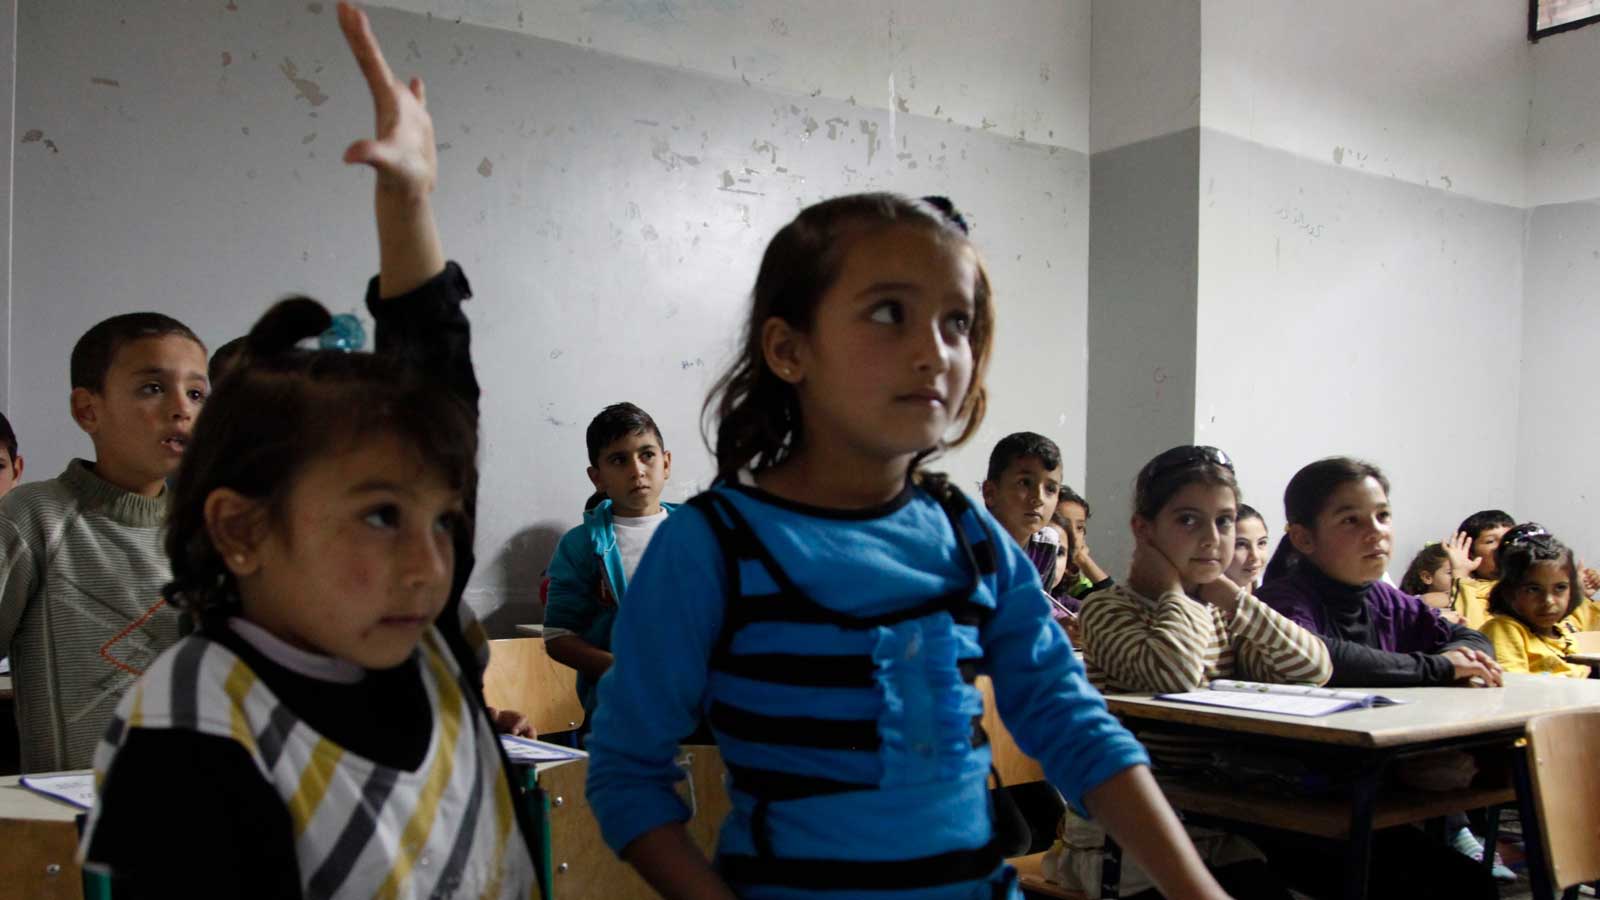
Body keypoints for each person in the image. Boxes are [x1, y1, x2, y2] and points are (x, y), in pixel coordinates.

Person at [584, 193, 1231, 899]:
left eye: (958, 322)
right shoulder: (712, 545)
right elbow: (626, 772)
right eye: (890, 313)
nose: (936, 352)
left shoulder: (969, 536)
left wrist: (1199, 892)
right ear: (789, 349)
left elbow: (1072, 724)